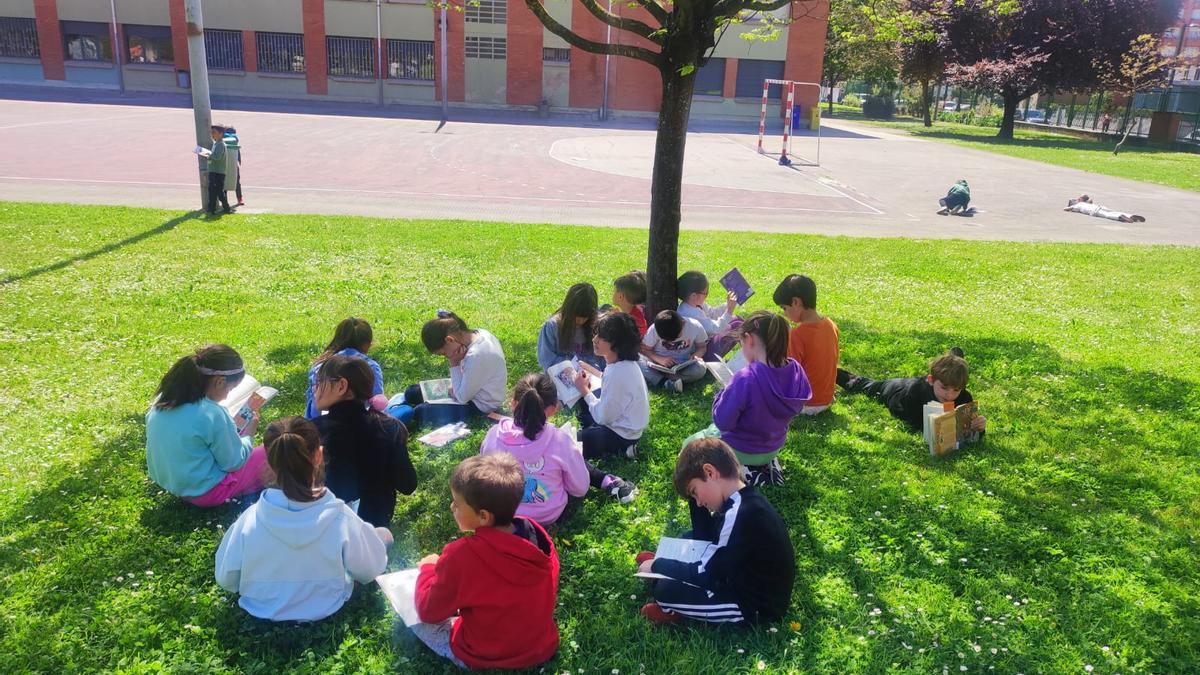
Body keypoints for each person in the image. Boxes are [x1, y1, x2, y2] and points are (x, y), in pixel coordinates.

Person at [214, 416, 391, 622]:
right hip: (328, 605)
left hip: (260, 608)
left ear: (269, 462)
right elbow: (369, 570)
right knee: (384, 535)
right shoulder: (341, 517)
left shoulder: (248, 520)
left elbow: (226, 579)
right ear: (319, 456)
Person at [412, 453, 559, 670]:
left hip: (484, 655)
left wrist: (427, 570)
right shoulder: (537, 536)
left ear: (483, 516)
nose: (452, 507)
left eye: (457, 504)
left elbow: (428, 611)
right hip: (540, 646)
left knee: (417, 618)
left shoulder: (461, 555)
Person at [636, 438, 795, 626]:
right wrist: (694, 499)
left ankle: (672, 609)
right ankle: (663, 569)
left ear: (710, 472)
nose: (698, 502)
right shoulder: (742, 499)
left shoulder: (739, 514)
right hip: (735, 575)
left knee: (665, 591)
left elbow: (708, 576)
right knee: (689, 539)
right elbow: (707, 536)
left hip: (754, 605)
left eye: (694, 492)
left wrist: (658, 566)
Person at [480, 374, 634, 524]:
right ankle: (607, 480)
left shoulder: (494, 435)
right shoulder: (560, 440)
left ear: (513, 403)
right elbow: (580, 489)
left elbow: (484, 478)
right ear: (554, 409)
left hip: (503, 515)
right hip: (548, 514)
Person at [685, 311, 811, 486]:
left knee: (690, 444)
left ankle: (741, 470)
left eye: (741, 343)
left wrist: (723, 393)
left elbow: (722, 422)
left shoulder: (746, 378)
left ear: (749, 339)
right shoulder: (796, 370)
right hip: (773, 447)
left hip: (742, 449)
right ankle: (764, 466)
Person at [145, 344, 272, 507]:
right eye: (230, 389)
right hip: (206, 492)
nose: (227, 395)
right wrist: (249, 434)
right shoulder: (212, 413)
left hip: (169, 481)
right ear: (220, 382)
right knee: (272, 452)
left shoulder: (163, 400)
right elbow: (233, 463)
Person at [312, 356, 416, 527]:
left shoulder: (312, 432)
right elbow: (408, 484)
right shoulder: (388, 427)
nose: (315, 388)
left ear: (341, 386)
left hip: (326, 529)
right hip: (374, 528)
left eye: (319, 381)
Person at [387, 310, 507, 429]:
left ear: (450, 340)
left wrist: (454, 363)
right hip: (468, 389)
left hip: (480, 404)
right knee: (411, 392)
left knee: (421, 411)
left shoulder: (476, 355)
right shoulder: (480, 333)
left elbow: (462, 398)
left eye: (444, 353)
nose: (447, 357)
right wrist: (455, 388)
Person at [571, 311, 647, 499]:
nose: (595, 339)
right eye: (596, 333)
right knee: (586, 403)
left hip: (619, 434)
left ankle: (622, 449)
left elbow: (602, 417)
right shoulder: (625, 364)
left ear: (617, 344)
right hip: (626, 426)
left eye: (602, 337)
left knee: (570, 445)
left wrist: (584, 390)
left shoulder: (617, 373)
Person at [837, 348, 987, 435]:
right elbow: (912, 422)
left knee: (949, 380)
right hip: (897, 391)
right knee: (868, 386)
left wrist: (977, 429)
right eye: (944, 388)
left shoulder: (964, 397)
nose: (949, 395)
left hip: (921, 385)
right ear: (931, 380)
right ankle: (842, 376)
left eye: (956, 390)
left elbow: (970, 431)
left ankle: (953, 359)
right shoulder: (914, 394)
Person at [774, 274, 839, 415]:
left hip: (806, 404)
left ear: (796, 302)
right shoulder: (830, 325)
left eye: (784, 308)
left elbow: (789, 374)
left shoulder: (797, 334)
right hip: (826, 399)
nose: (784, 314)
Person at [305, 317, 387, 420]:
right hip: (360, 424)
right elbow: (378, 404)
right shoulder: (371, 367)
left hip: (319, 426)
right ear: (368, 344)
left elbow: (312, 405)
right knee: (402, 407)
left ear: (337, 338)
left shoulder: (319, 366)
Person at [537, 283, 605, 372]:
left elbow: (602, 358)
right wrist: (573, 367)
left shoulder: (595, 326)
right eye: (576, 316)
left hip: (590, 378)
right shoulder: (552, 327)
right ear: (568, 308)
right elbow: (547, 359)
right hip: (561, 377)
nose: (580, 321)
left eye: (584, 317)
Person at [676, 270, 741, 360]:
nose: (707, 295)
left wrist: (728, 304)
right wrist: (729, 310)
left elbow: (713, 313)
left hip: (708, 341)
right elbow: (715, 329)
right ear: (694, 295)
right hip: (703, 352)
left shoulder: (696, 304)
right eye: (705, 293)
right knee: (738, 325)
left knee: (737, 319)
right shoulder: (690, 314)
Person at [639, 309, 708, 393]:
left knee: (700, 368)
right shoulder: (654, 329)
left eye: (676, 337)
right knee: (637, 358)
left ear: (683, 323)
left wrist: (696, 356)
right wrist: (659, 359)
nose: (672, 341)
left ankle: (665, 380)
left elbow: (702, 347)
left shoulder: (694, 326)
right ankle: (664, 381)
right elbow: (645, 350)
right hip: (658, 365)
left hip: (683, 366)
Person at [612, 270, 648, 337]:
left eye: (614, 291)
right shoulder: (634, 312)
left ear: (620, 297)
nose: (613, 294)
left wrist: (617, 319)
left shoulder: (633, 321)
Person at [205, 124, 231, 216]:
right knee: (212, 190)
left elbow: (217, 157)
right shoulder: (216, 144)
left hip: (218, 172)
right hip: (214, 171)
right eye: (211, 133)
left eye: (214, 132)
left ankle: (226, 208)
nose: (212, 134)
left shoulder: (220, 144)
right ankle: (211, 208)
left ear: (221, 134)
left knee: (219, 192)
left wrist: (208, 155)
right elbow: (213, 157)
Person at [1064, 195, 1145, 223]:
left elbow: (1066, 208)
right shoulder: (1085, 203)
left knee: (1107, 215)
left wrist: (1070, 207)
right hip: (1100, 206)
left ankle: (1120, 217)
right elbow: (1090, 200)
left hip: (1095, 211)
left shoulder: (1078, 205)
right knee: (1113, 211)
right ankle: (1130, 216)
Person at [222, 126, 244, 206]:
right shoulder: (235, 140)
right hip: (234, 164)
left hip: (224, 164)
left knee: (224, 182)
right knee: (237, 181)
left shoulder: (223, 139)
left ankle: (225, 201)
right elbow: (238, 153)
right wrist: (239, 162)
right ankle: (240, 199)